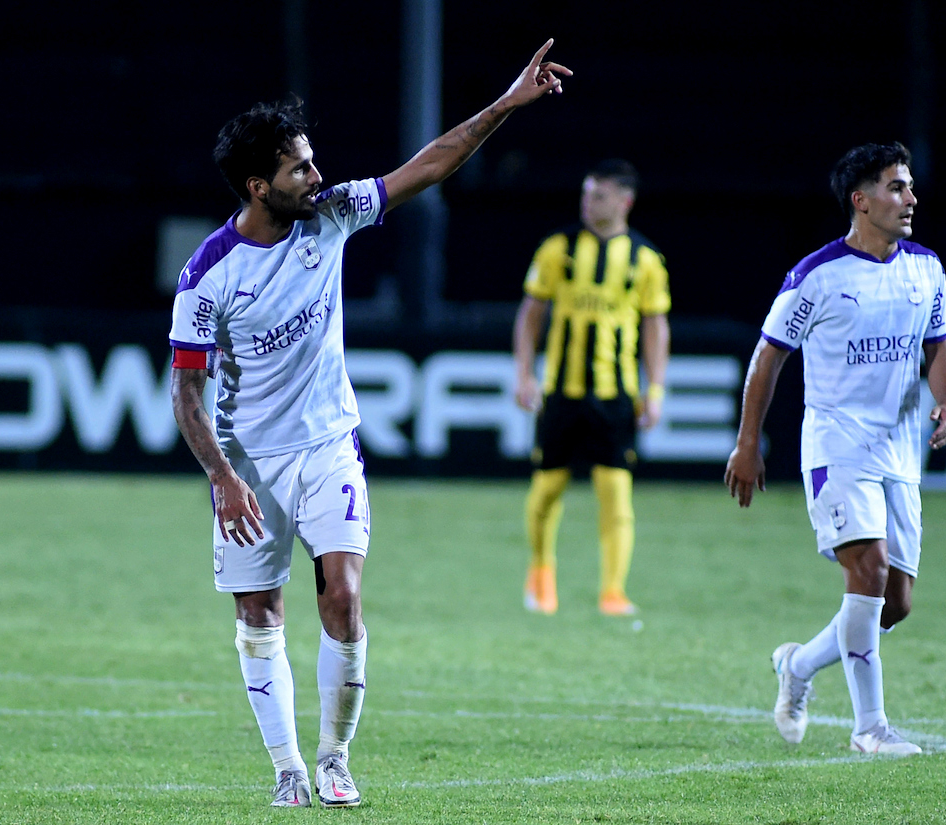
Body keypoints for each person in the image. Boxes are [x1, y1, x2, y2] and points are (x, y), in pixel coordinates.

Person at [169, 40, 571, 808]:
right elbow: (186, 393)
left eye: (313, 162)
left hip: (328, 443)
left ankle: (334, 756)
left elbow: (431, 164)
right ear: (259, 186)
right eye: (299, 169)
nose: (317, 176)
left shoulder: (331, 217)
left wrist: (507, 104)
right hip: (249, 462)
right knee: (259, 612)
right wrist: (221, 476)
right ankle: (287, 767)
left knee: (343, 597)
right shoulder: (207, 275)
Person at [724, 142, 946, 756]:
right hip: (837, 446)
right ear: (861, 200)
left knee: (894, 604)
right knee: (869, 572)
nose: (911, 198)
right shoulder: (818, 275)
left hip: (899, 453)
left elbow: (941, 346)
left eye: (910, 186)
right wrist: (748, 443)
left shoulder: (926, 268)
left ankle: (798, 664)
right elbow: (768, 356)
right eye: (896, 187)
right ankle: (870, 729)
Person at [513, 159, 671, 617]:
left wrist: (655, 390)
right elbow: (530, 314)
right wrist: (524, 373)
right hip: (561, 392)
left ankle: (613, 593)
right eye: (585, 194)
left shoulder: (645, 260)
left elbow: (655, 327)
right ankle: (541, 574)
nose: (588, 203)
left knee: (616, 496)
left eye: (598, 196)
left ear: (625, 201)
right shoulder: (558, 249)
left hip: (615, 395)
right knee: (546, 490)